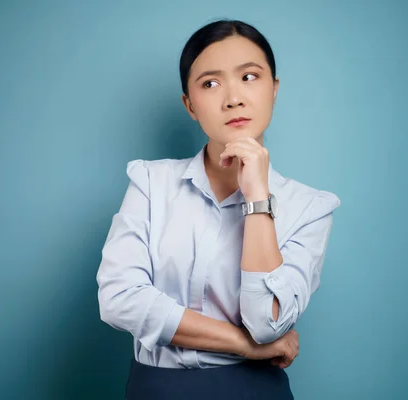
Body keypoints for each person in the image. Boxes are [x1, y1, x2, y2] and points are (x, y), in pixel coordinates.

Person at [96, 19, 340, 400]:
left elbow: (267, 325)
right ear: (189, 105)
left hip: (253, 390)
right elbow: (119, 300)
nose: (233, 98)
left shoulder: (309, 207)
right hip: (156, 388)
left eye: (250, 77)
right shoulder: (150, 183)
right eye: (210, 83)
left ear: (274, 89)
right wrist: (243, 346)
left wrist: (258, 195)